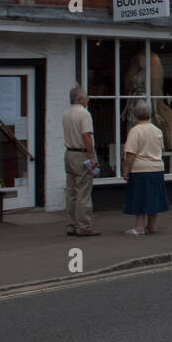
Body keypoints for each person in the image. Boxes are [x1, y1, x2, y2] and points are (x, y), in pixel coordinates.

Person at [122, 99, 170, 235]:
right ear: (149, 114)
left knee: (140, 198)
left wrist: (126, 170)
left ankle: (139, 228)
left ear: (135, 115)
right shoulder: (157, 131)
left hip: (140, 170)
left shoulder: (135, 131)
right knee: (153, 198)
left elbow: (130, 154)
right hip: (157, 168)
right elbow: (161, 148)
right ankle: (153, 226)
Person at [62, 85, 100, 236]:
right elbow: (87, 136)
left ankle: (72, 224)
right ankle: (83, 226)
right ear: (80, 99)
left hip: (69, 153)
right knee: (83, 191)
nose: (88, 99)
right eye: (86, 96)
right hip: (82, 154)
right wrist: (92, 156)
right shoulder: (84, 114)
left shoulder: (66, 113)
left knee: (71, 192)